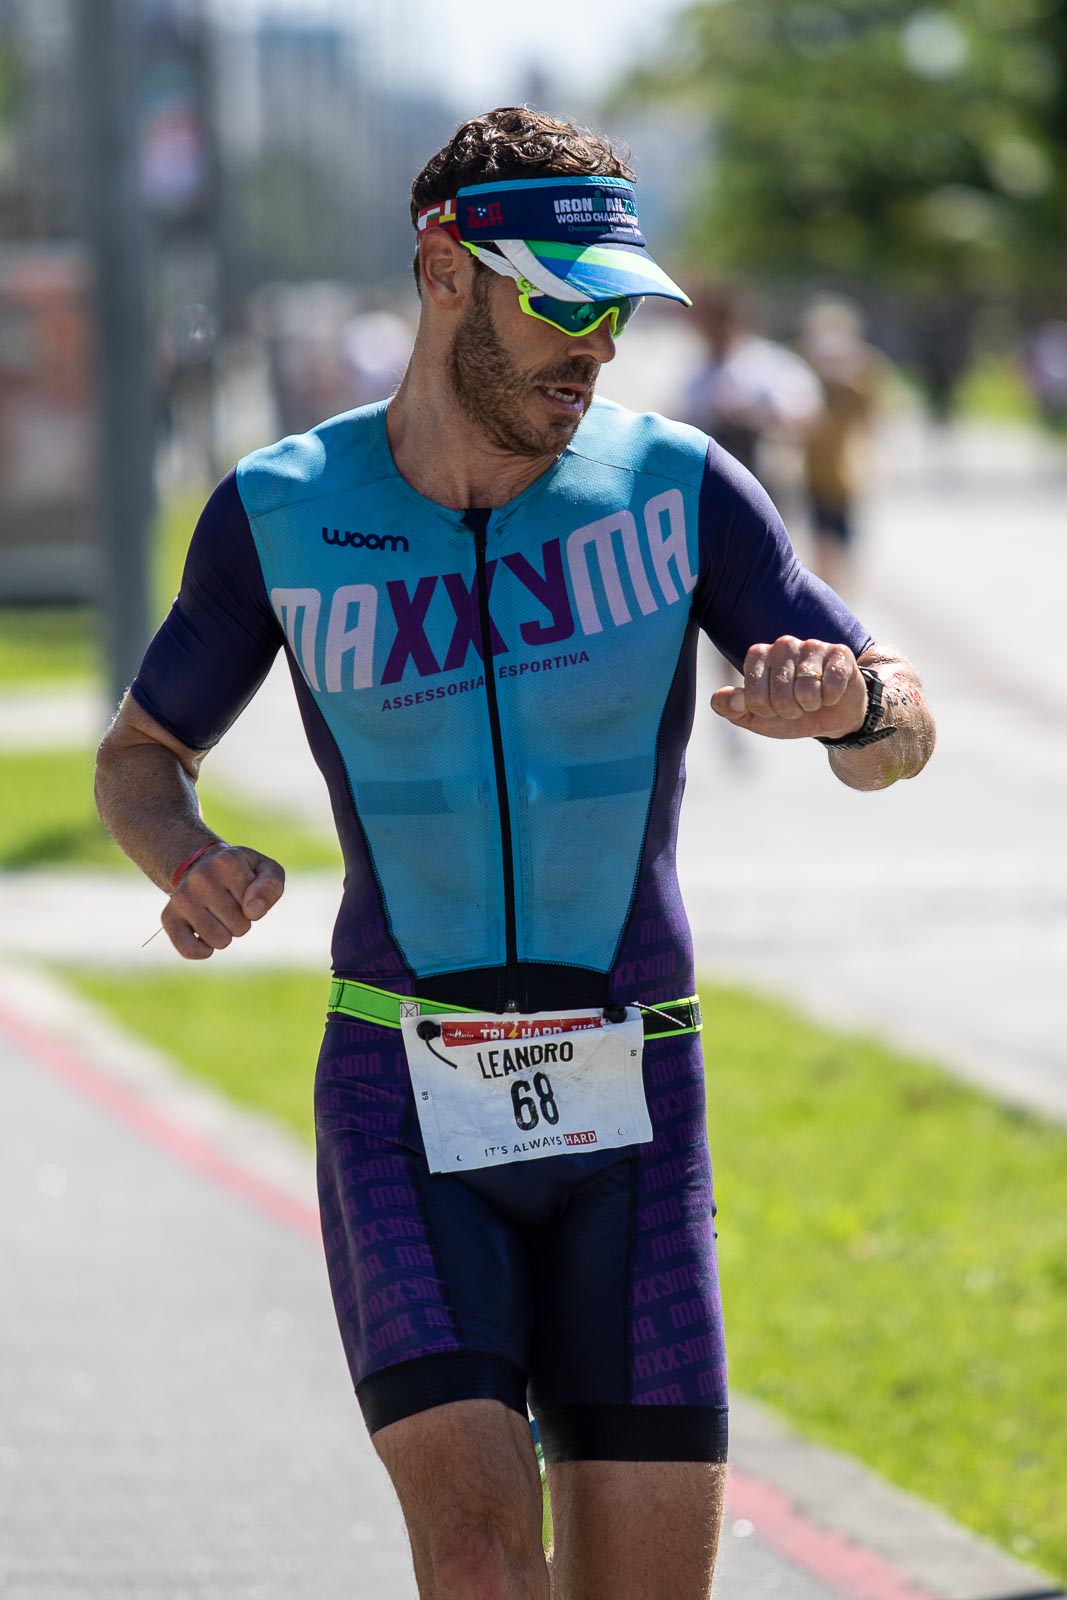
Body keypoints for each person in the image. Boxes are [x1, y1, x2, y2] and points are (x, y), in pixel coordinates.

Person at [95, 107, 936, 1600]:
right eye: (561, 304)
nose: (594, 347)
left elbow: (896, 731)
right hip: (399, 1091)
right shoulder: (283, 510)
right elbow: (140, 757)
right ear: (443, 272)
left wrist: (851, 708)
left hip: (635, 1099)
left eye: (616, 311)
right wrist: (185, 858)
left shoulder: (674, 485)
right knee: (479, 1563)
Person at [797, 297, 887, 600]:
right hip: (814, 470)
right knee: (821, 537)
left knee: (844, 538)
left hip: (846, 471)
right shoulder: (809, 373)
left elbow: (873, 416)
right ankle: (829, 594)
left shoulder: (860, 375)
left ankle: (842, 597)